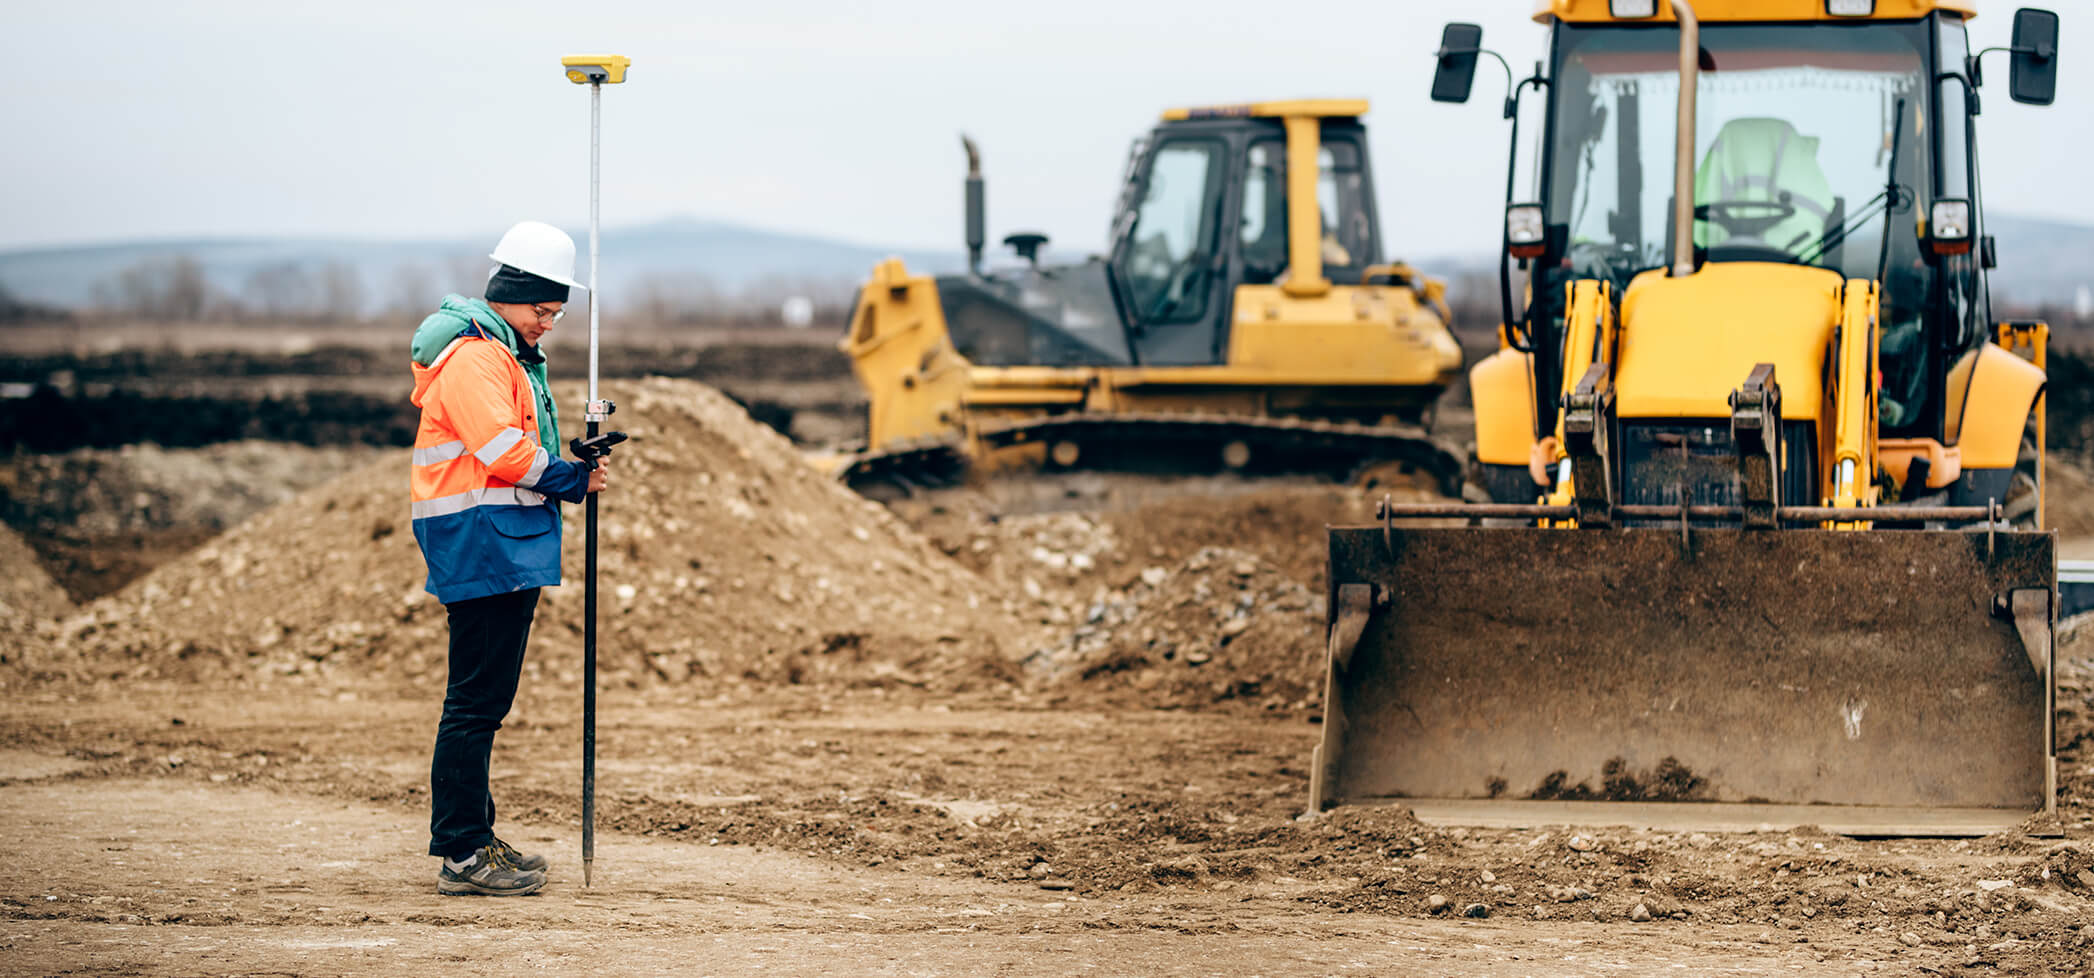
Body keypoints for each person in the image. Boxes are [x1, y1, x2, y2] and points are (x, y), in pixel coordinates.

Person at [407, 220, 610, 896]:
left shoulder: (505, 355)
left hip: (498, 540)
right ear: (511, 294)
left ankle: (475, 838)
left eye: (557, 311)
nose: (549, 323)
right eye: (543, 310)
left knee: (484, 701)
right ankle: (463, 851)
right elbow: (501, 450)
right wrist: (568, 480)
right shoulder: (476, 358)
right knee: (475, 703)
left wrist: (566, 462)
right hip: (480, 541)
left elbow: (520, 442)